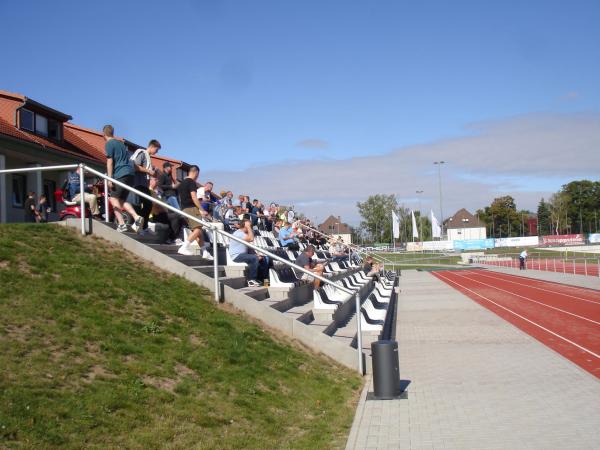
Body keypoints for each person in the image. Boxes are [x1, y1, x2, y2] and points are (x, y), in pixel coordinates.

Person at [103, 124, 143, 233]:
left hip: (120, 174)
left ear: (104, 134)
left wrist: (110, 179)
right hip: (130, 174)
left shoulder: (109, 144)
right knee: (121, 200)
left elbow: (110, 162)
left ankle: (121, 224)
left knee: (113, 199)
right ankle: (136, 217)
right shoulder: (120, 144)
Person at [176, 165, 212, 259]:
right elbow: (194, 197)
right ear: (196, 172)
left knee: (198, 232)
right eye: (198, 174)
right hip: (191, 208)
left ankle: (204, 252)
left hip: (184, 208)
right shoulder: (191, 182)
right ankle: (184, 247)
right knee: (198, 229)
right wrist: (201, 209)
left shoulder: (182, 183)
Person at [131, 140, 161, 234]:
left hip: (143, 184)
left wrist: (152, 171)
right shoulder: (142, 153)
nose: (156, 152)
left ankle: (142, 226)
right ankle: (141, 227)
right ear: (152, 147)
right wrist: (148, 171)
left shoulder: (147, 157)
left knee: (146, 205)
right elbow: (135, 166)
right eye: (156, 150)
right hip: (138, 183)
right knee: (146, 205)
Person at [229, 219, 269, 287]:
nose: (251, 227)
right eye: (250, 226)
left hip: (244, 255)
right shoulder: (239, 233)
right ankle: (251, 280)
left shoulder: (243, 234)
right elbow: (251, 239)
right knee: (255, 258)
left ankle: (264, 282)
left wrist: (256, 254)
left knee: (265, 259)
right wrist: (248, 227)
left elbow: (249, 248)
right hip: (236, 256)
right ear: (245, 226)